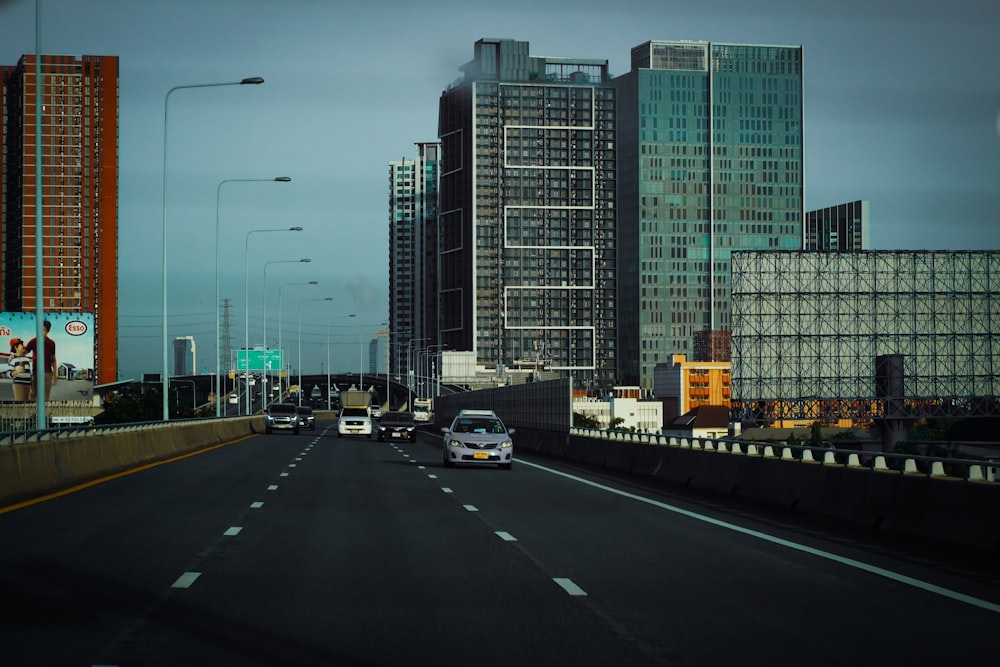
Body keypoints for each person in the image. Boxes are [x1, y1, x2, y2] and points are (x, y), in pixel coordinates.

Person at [25, 320, 57, 401]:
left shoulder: (51, 343)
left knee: (46, 396)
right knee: (33, 394)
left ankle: (44, 412)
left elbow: (53, 359)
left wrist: (55, 374)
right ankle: (30, 412)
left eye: (44, 330)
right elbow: (23, 352)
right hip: (36, 372)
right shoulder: (33, 341)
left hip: (48, 373)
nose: (41, 332)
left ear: (48, 331)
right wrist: (13, 354)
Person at [8, 337, 32, 402]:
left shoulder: (27, 359)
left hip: (28, 384)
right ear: (16, 347)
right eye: (21, 345)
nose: (23, 346)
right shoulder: (12, 359)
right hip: (18, 385)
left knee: (27, 404)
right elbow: (8, 374)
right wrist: (17, 371)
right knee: (20, 403)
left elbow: (29, 372)